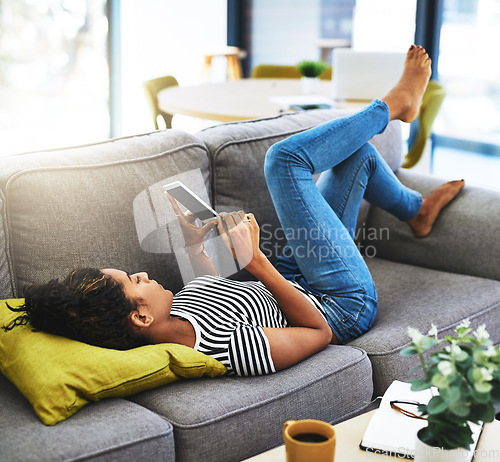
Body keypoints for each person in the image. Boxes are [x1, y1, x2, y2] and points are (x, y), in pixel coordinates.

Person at [3, 45, 464, 376]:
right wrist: (256, 263)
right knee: (284, 161)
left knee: (356, 153)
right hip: (339, 304)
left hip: (298, 274)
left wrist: (193, 238)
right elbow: (318, 333)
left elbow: (209, 290)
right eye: (134, 281)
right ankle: (394, 106)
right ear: (140, 316)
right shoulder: (225, 349)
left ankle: (416, 210)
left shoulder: (173, 313)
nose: (142, 274)